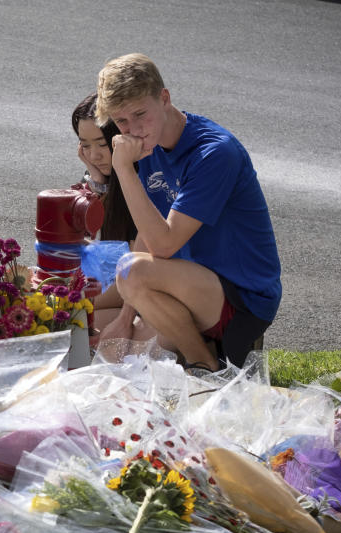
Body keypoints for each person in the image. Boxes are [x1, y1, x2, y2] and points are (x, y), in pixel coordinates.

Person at [93, 53, 281, 370]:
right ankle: (193, 348)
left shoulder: (214, 152)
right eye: (122, 121)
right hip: (188, 286)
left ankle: (204, 364)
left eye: (140, 114)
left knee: (129, 270)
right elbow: (147, 233)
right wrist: (127, 316)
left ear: (164, 99)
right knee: (109, 342)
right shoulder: (151, 142)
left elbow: (163, 245)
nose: (134, 129)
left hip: (242, 297)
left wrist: (123, 169)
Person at [71, 93, 140, 336]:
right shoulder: (100, 181)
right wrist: (97, 182)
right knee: (75, 326)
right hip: (112, 286)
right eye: (85, 146)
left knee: (73, 322)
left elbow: (135, 271)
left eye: (102, 144)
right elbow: (74, 239)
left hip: (139, 298)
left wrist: (73, 300)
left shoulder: (140, 185)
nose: (94, 155)